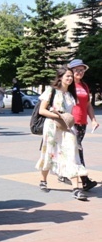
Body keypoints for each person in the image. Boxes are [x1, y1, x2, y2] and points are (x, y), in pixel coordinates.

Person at [36, 67, 89, 200]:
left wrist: (68, 119)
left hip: (67, 127)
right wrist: (58, 115)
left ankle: (76, 188)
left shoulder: (71, 94)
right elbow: (42, 110)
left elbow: (71, 113)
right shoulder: (51, 91)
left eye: (71, 76)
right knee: (49, 152)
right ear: (60, 77)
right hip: (52, 126)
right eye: (67, 76)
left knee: (72, 153)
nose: (70, 78)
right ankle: (43, 180)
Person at [65, 59, 99, 191]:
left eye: (82, 70)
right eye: (76, 70)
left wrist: (94, 120)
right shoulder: (68, 85)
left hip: (82, 122)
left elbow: (88, 105)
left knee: (73, 150)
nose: (79, 72)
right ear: (71, 71)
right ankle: (85, 181)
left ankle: (64, 173)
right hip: (70, 122)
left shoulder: (84, 85)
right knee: (78, 150)